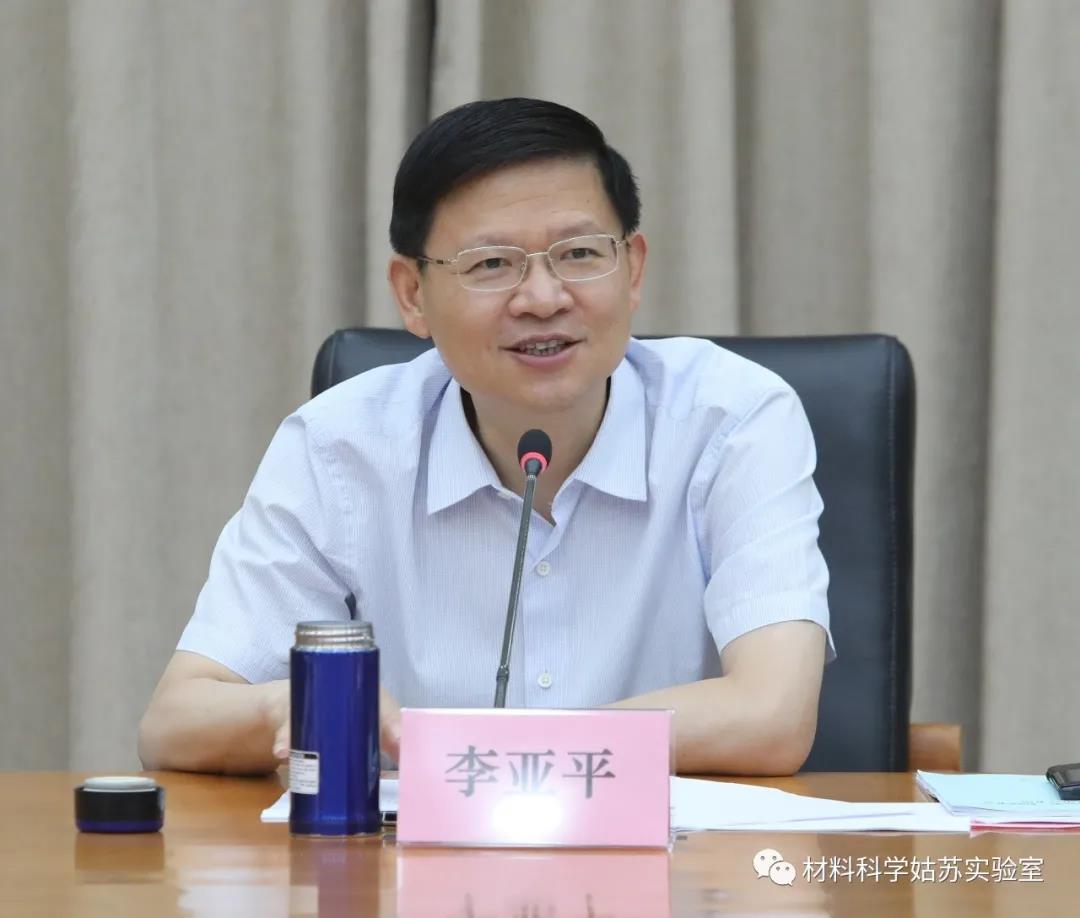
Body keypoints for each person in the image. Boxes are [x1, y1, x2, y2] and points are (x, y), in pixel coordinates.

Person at [139, 97, 834, 777]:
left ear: (633, 270)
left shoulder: (733, 420)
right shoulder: (339, 447)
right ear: (412, 294)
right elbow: (174, 722)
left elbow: (772, 717)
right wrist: (289, 704)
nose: (543, 299)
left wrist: (491, 754)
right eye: (491, 264)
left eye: (580, 253)